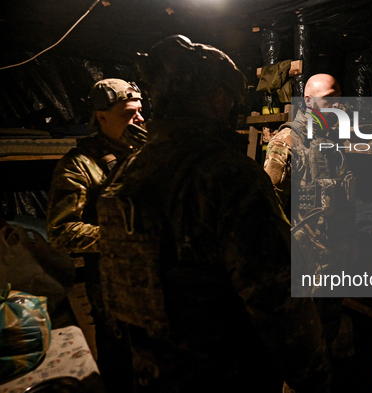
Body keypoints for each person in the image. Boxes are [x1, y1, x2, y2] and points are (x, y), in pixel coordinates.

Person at [96, 35, 330, 392]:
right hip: (228, 376)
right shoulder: (227, 176)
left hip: (154, 375)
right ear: (218, 96)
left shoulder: (128, 173)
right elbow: (277, 301)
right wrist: (313, 378)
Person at [46, 78, 145, 392]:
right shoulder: (79, 165)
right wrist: (121, 238)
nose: (139, 120)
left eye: (141, 111)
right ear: (102, 117)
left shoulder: (148, 155)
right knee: (120, 363)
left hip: (152, 278)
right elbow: (61, 231)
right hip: (110, 285)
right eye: (130, 113)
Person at [263, 73, 342, 221]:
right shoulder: (286, 142)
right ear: (309, 101)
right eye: (329, 98)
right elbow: (270, 209)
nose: (336, 105)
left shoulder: (329, 138)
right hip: (303, 239)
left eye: (338, 98)